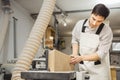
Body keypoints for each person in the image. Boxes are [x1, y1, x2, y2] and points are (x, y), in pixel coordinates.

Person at [70, 3, 113, 80]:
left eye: (99, 21)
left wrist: (81, 58)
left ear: (104, 20)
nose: (94, 23)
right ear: (91, 13)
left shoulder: (107, 31)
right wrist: (74, 55)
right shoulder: (79, 24)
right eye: (93, 18)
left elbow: (101, 54)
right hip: (83, 68)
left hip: (99, 71)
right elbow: (75, 40)